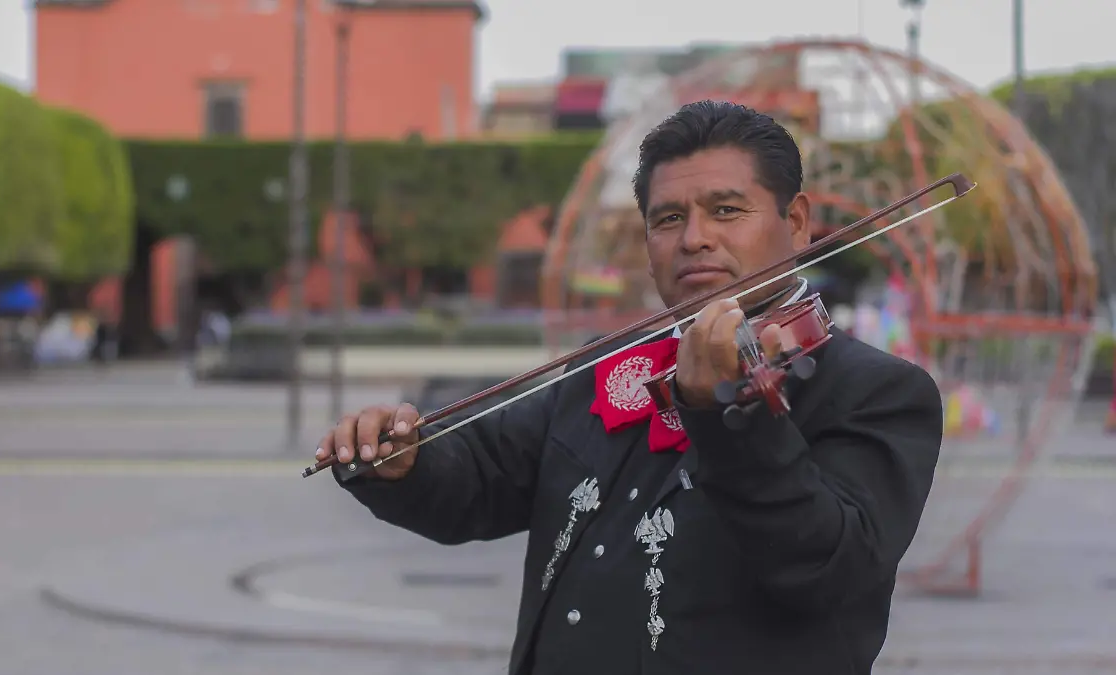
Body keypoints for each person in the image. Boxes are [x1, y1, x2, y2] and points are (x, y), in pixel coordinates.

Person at [314, 100, 945, 674]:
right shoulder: (615, 365)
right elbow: (485, 475)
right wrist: (409, 464)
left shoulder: (878, 393)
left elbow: (830, 570)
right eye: (668, 218)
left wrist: (731, 415)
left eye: (726, 210)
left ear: (798, 221)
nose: (694, 238)